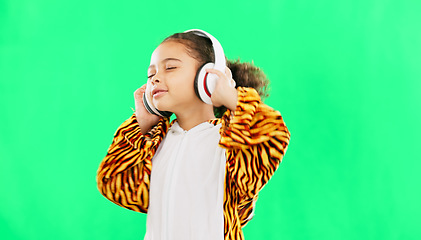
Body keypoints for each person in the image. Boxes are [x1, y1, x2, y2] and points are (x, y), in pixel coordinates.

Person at [96, 29, 291, 240]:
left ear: (208, 77)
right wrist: (141, 128)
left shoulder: (230, 141)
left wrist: (233, 99)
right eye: (151, 74)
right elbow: (113, 182)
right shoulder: (155, 144)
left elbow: (273, 134)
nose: (155, 79)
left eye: (170, 67)